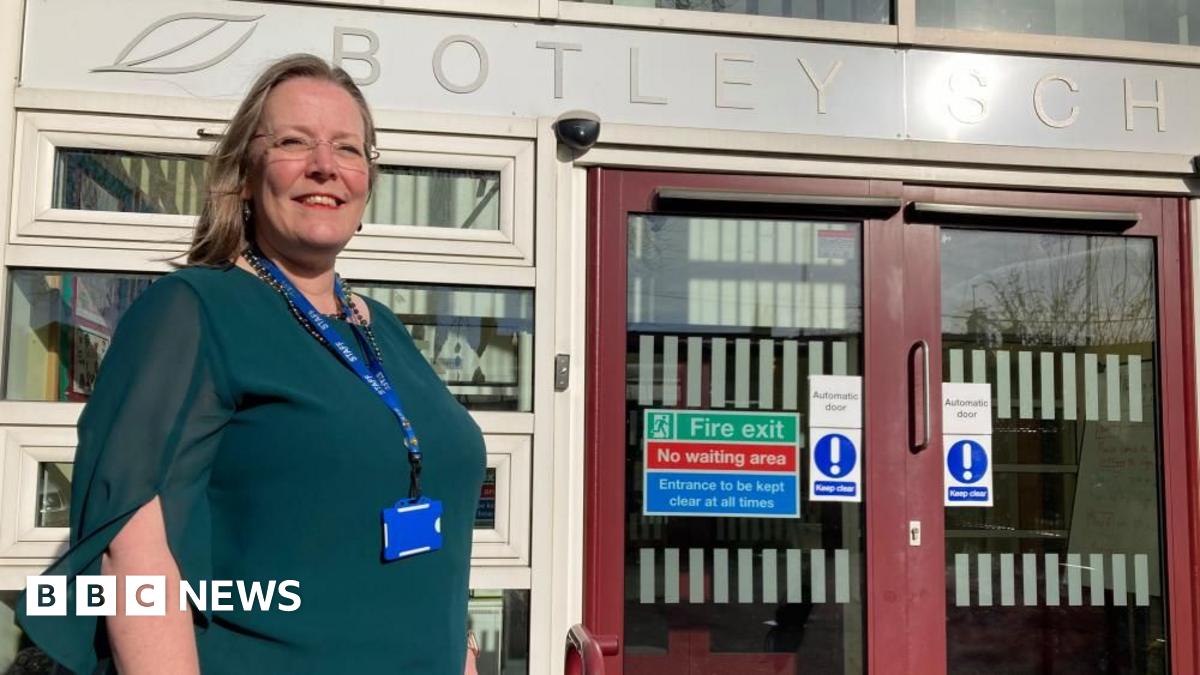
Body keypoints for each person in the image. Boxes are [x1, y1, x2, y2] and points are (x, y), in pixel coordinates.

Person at [15, 54, 486, 674]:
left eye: (348, 148)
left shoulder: (382, 328)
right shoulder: (193, 311)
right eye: (294, 141)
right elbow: (135, 557)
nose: (325, 165)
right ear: (244, 172)